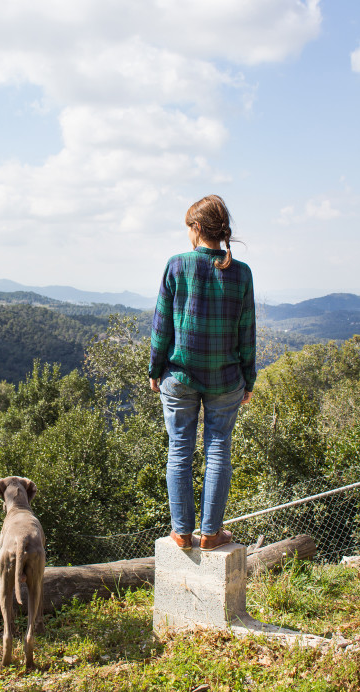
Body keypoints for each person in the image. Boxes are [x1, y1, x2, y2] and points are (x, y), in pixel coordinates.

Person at [148, 194, 256, 551]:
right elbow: (246, 332)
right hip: (226, 379)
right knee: (219, 449)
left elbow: (162, 326)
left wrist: (154, 368)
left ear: (196, 228)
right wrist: (249, 378)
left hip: (180, 376)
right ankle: (211, 534)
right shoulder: (241, 272)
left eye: (189, 229)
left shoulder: (176, 265)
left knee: (179, 450)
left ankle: (181, 533)